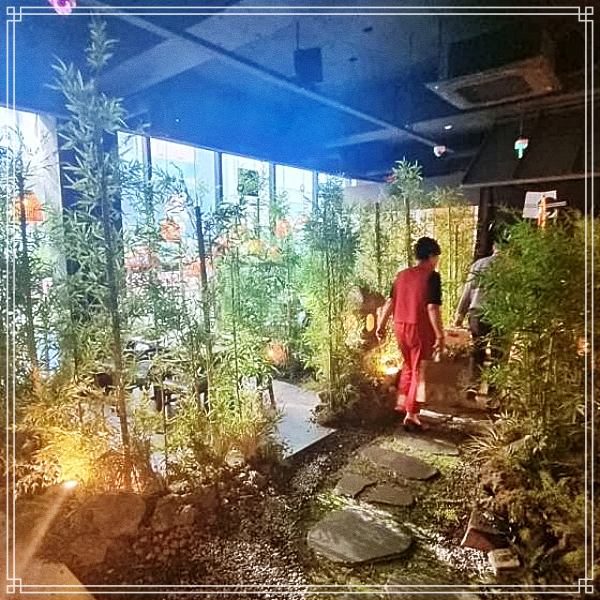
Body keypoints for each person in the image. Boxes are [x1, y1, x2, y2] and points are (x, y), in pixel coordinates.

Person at [376, 237, 445, 430]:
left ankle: (402, 404)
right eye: (436, 257)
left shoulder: (401, 275)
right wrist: (440, 334)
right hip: (419, 328)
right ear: (431, 256)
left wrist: (381, 325)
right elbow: (432, 307)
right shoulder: (432, 276)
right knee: (418, 369)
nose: (437, 261)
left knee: (408, 365)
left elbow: (390, 302)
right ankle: (412, 415)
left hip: (400, 326)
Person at [454, 240, 500, 388]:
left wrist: (459, 315)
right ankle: (494, 391)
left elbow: (468, 290)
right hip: (501, 314)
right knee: (498, 353)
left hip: (477, 313)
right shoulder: (512, 267)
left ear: (494, 247)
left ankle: (473, 386)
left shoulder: (478, 264)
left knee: (477, 351)